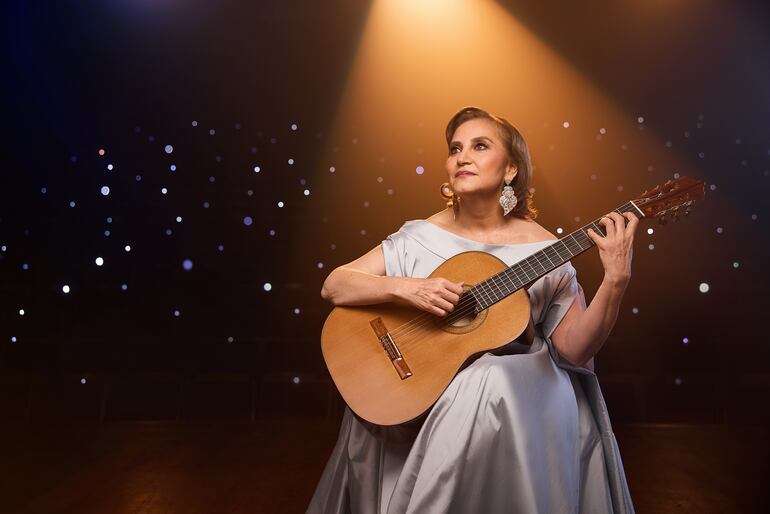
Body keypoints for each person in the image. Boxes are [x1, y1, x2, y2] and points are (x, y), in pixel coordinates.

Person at [307, 106, 637, 514]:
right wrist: (408, 289)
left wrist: (615, 283)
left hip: (515, 394)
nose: (462, 156)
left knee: (487, 380)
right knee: (469, 385)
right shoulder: (418, 235)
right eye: (455, 148)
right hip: (421, 384)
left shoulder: (546, 250)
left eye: (480, 146)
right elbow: (334, 285)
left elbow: (573, 350)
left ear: (511, 170)